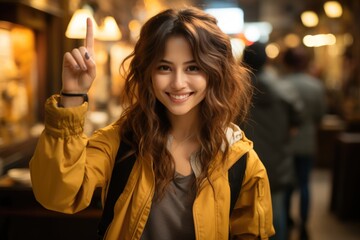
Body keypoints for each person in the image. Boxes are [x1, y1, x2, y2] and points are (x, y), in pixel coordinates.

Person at [30, 7, 274, 240]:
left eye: (193, 68)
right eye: (165, 67)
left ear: (215, 73)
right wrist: (72, 95)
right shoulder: (121, 142)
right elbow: (58, 194)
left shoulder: (239, 160)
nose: (178, 83)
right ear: (147, 72)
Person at [241, 42, 303, 240]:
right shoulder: (284, 89)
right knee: (276, 215)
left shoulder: (235, 91)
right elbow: (297, 121)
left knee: (239, 217)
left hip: (241, 163)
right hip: (277, 160)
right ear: (266, 60)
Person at [282, 46, 327, 240]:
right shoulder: (315, 86)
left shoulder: (282, 85)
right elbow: (320, 116)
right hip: (307, 142)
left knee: (286, 186)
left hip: (285, 144)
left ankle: (286, 222)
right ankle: (304, 224)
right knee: (305, 184)